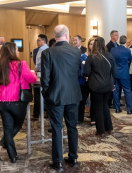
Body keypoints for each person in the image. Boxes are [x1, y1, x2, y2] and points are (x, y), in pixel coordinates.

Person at [41, 24, 82, 170]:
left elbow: (45, 79)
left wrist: (45, 94)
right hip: (73, 95)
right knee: (72, 127)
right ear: (67, 35)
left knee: (57, 128)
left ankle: (57, 161)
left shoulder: (48, 52)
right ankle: (73, 157)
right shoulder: (77, 52)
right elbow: (78, 73)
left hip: (55, 96)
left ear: (54, 36)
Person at [0, 42, 36, 163]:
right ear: (12, 52)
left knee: (7, 129)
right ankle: (1, 146)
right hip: (17, 101)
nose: (18, 52)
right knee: (17, 126)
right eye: (17, 50)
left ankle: (12, 155)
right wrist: (32, 73)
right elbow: (32, 79)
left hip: (2, 101)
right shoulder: (21, 64)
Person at [84, 36, 115, 136]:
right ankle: (109, 128)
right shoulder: (109, 55)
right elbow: (113, 71)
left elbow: (86, 73)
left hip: (96, 86)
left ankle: (101, 130)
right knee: (105, 105)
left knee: (98, 107)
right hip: (108, 86)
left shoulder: (91, 57)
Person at [111, 35, 132, 114]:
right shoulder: (127, 51)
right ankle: (129, 109)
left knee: (116, 90)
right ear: (125, 42)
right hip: (124, 73)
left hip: (115, 73)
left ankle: (117, 108)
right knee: (127, 91)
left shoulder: (113, 50)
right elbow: (130, 59)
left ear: (119, 41)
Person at [33, 34, 48, 120]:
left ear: (43, 41)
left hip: (42, 74)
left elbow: (40, 63)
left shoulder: (44, 50)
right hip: (40, 73)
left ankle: (41, 111)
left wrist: (36, 69)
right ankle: (42, 111)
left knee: (40, 93)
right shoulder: (40, 49)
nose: (37, 42)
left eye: (38, 40)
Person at [106, 30, 119, 108]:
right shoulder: (108, 46)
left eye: (118, 35)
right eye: (116, 35)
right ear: (111, 36)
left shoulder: (118, 45)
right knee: (111, 85)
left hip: (117, 68)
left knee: (116, 86)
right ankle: (109, 102)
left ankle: (115, 101)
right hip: (111, 67)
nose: (117, 37)